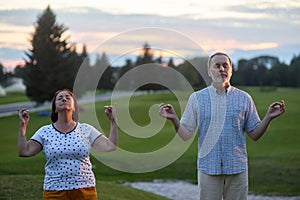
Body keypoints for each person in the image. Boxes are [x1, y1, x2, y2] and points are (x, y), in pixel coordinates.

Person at [159, 52, 285, 200]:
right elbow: (186, 135)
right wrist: (174, 119)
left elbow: (254, 134)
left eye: (225, 65)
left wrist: (268, 117)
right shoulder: (197, 98)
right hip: (208, 169)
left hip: (237, 170)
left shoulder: (244, 98)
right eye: (217, 66)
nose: (221, 69)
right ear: (209, 72)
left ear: (231, 70)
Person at [18, 89, 118, 200]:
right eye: (60, 98)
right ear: (55, 108)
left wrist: (113, 121)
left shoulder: (86, 129)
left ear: (74, 106)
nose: (64, 99)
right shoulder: (44, 132)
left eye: (67, 97)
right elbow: (24, 151)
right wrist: (23, 126)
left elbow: (110, 146)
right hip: (54, 191)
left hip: (84, 190)